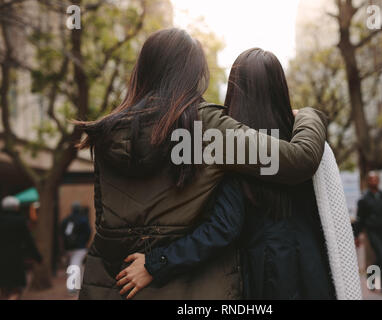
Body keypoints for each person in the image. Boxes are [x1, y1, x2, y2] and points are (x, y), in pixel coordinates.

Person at [76, 28, 327, 300]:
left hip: (112, 284)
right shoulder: (206, 128)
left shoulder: (104, 133)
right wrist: (309, 115)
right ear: (193, 74)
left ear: (143, 69)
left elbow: (103, 222)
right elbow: (301, 159)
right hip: (190, 288)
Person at [354, 171, 382, 296]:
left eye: (376, 179)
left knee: (380, 257)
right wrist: (356, 236)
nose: (374, 181)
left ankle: (372, 279)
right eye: (371, 179)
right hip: (371, 231)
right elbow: (360, 218)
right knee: (381, 255)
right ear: (368, 181)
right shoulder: (364, 199)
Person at [0, 196, 42, 300]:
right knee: (16, 289)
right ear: (15, 207)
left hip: (1, 260)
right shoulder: (20, 221)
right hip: (15, 259)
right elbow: (28, 241)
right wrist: (37, 257)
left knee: (4, 289)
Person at [61, 202, 91, 279]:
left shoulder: (66, 220)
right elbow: (88, 232)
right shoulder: (83, 220)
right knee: (75, 264)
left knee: (74, 264)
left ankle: (78, 284)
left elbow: (61, 232)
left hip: (68, 247)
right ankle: (73, 286)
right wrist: (84, 242)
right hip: (80, 248)